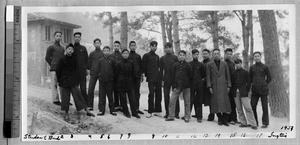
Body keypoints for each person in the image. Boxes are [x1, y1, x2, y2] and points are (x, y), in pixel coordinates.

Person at [56, 43, 95, 121]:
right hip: (64, 81)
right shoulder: (62, 59)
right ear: (66, 50)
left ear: (73, 51)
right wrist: (60, 81)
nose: (70, 51)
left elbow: (77, 71)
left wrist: (76, 80)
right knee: (65, 97)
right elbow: (58, 71)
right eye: (69, 49)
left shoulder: (75, 60)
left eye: (72, 49)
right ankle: (66, 113)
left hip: (73, 81)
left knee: (78, 95)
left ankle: (86, 110)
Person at [165, 50, 193, 123]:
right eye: (180, 55)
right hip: (177, 85)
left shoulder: (188, 65)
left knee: (187, 102)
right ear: (178, 56)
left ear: (185, 56)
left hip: (186, 86)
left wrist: (187, 83)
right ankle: (171, 116)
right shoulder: (175, 65)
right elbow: (173, 75)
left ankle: (187, 117)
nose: (182, 56)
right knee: (172, 100)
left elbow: (190, 76)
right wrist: (174, 85)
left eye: (183, 55)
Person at [206, 48, 231, 126]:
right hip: (214, 86)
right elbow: (208, 76)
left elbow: (228, 75)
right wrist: (209, 86)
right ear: (213, 55)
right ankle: (219, 118)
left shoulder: (224, 64)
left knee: (225, 102)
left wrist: (229, 85)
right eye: (215, 53)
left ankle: (225, 119)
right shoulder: (209, 64)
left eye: (218, 53)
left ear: (220, 55)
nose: (216, 55)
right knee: (216, 103)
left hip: (223, 85)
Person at [232, 58, 257, 130]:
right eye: (236, 63)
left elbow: (249, 83)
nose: (237, 65)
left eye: (239, 63)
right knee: (239, 108)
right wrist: (234, 90)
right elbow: (233, 83)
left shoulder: (245, 72)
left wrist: (246, 91)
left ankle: (253, 124)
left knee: (248, 108)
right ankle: (243, 123)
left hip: (244, 93)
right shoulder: (233, 73)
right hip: (236, 93)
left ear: (241, 63)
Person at [115, 49, 141, 119]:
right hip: (121, 83)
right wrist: (118, 83)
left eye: (127, 53)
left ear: (128, 54)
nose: (125, 55)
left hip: (129, 83)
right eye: (124, 53)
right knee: (123, 99)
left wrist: (131, 81)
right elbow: (116, 74)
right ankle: (126, 112)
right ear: (122, 54)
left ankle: (134, 113)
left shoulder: (131, 63)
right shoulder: (119, 63)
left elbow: (133, 73)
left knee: (132, 99)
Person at [250, 51, 272, 128]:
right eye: (255, 56)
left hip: (263, 90)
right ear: (253, 58)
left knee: (264, 107)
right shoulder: (252, 67)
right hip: (255, 90)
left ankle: (265, 123)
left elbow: (269, 77)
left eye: (258, 56)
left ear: (260, 57)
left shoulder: (265, 67)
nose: (257, 57)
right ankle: (254, 123)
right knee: (252, 106)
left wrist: (265, 84)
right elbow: (250, 78)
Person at [159, 42, 180, 119]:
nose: (168, 49)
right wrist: (161, 80)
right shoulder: (162, 58)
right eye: (166, 48)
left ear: (172, 48)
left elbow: (178, 70)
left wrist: (177, 80)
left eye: (169, 47)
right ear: (164, 49)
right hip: (166, 79)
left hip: (174, 79)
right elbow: (161, 71)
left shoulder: (175, 58)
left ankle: (176, 113)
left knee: (175, 96)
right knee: (166, 96)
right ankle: (168, 112)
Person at [142, 41, 162, 118]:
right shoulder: (146, 55)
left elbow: (158, 68)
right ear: (150, 46)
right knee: (151, 93)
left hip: (157, 78)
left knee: (158, 94)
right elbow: (144, 67)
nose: (154, 47)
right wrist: (146, 75)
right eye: (153, 46)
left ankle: (157, 110)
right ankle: (150, 111)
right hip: (150, 77)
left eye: (156, 46)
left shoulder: (157, 57)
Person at [45, 31, 65, 106]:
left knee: (62, 84)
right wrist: (52, 64)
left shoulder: (62, 48)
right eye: (57, 36)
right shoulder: (51, 47)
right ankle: (55, 100)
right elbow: (47, 58)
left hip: (61, 69)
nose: (58, 37)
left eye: (60, 36)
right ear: (54, 37)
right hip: (54, 69)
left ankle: (64, 100)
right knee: (54, 84)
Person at [96, 46, 117, 116]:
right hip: (102, 81)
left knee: (110, 96)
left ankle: (112, 110)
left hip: (110, 81)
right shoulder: (100, 60)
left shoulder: (112, 60)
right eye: (105, 51)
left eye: (107, 51)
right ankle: (102, 110)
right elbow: (98, 70)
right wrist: (100, 77)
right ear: (103, 51)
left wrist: (112, 78)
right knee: (102, 96)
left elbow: (114, 70)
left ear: (110, 51)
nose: (106, 52)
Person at [86, 38, 104, 110]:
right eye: (96, 43)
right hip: (93, 73)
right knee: (90, 89)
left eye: (98, 43)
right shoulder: (92, 53)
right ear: (94, 44)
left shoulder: (103, 53)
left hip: (101, 74)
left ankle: (101, 106)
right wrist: (89, 71)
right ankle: (90, 105)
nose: (97, 44)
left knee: (102, 90)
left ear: (100, 44)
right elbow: (88, 64)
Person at [189, 49, 206, 123]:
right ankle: (187, 115)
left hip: (199, 85)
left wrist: (201, 81)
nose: (196, 56)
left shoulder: (201, 64)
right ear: (192, 55)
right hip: (191, 85)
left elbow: (204, 75)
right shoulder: (189, 64)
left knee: (199, 101)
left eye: (197, 54)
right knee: (190, 100)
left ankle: (199, 117)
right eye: (195, 54)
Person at [128, 41, 144, 115]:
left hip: (137, 77)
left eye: (134, 45)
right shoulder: (128, 55)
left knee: (137, 93)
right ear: (129, 47)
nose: (133, 47)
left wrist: (141, 75)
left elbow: (141, 67)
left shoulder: (138, 56)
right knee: (131, 93)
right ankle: (132, 109)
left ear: (136, 46)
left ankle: (137, 108)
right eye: (131, 45)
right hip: (130, 78)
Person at [224, 48, 239, 125]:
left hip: (234, 85)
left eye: (230, 54)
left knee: (233, 102)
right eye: (227, 54)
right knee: (228, 101)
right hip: (227, 85)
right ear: (225, 54)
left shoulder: (233, 64)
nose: (229, 55)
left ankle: (234, 118)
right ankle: (229, 119)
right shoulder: (223, 63)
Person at [73, 32, 89, 104]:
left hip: (82, 72)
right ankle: (78, 104)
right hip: (74, 72)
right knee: (75, 89)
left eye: (78, 37)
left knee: (83, 88)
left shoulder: (83, 48)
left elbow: (86, 59)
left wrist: (85, 69)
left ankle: (85, 104)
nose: (77, 38)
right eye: (76, 37)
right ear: (74, 38)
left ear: (80, 38)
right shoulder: (71, 48)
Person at [202, 49, 214, 121]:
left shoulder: (211, 63)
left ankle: (211, 114)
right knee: (201, 99)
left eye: (206, 54)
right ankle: (198, 114)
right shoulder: (202, 63)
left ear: (209, 54)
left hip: (209, 83)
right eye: (203, 54)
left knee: (210, 100)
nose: (204, 55)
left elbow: (211, 74)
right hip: (203, 84)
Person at [110, 41, 123, 112]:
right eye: (115, 46)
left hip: (121, 76)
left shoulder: (122, 55)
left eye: (117, 46)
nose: (116, 47)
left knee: (121, 90)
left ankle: (122, 105)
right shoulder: (111, 55)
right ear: (113, 46)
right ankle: (116, 105)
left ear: (119, 46)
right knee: (115, 90)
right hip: (114, 76)